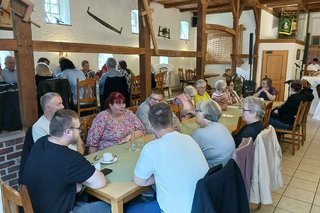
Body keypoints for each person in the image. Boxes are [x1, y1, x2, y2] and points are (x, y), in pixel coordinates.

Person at [21, 109, 110, 213]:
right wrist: (76, 185)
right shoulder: (71, 158)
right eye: (78, 128)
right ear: (68, 132)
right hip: (59, 210)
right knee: (107, 207)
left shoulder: (41, 142)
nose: (80, 131)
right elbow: (100, 183)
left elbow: (51, 173)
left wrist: (73, 186)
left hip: (37, 207)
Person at [132, 103, 209, 213]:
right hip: (202, 205)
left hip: (175, 210)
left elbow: (139, 181)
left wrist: (159, 175)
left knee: (130, 208)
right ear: (172, 121)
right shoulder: (189, 139)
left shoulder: (151, 148)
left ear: (149, 124)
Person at [192, 100, 235, 168]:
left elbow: (188, 155)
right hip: (228, 169)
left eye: (196, 110)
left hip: (213, 173)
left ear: (202, 114)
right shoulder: (221, 126)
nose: (194, 113)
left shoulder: (200, 133)